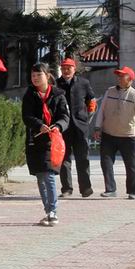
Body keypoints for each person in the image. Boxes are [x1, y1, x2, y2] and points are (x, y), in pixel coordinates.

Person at [22, 63, 70, 226]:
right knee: (40, 176)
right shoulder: (29, 94)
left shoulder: (58, 95)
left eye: (39, 75)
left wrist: (58, 126)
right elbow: (26, 116)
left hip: (52, 140)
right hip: (35, 140)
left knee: (48, 174)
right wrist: (38, 125)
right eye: (33, 75)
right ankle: (48, 211)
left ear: (47, 76)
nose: (35, 78)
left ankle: (53, 212)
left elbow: (65, 116)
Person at [92, 66, 135, 200]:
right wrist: (97, 127)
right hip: (108, 134)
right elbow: (101, 110)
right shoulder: (110, 91)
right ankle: (110, 189)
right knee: (106, 162)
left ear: (130, 79)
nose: (119, 78)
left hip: (127, 136)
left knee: (132, 165)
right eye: (118, 75)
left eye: (122, 76)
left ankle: (133, 191)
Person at [56, 58, 97, 197]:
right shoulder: (56, 84)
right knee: (64, 158)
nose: (66, 71)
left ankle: (85, 188)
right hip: (63, 127)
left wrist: (88, 117)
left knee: (83, 158)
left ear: (74, 69)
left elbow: (92, 100)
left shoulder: (84, 83)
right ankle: (67, 189)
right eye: (63, 68)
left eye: (69, 68)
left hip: (80, 126)